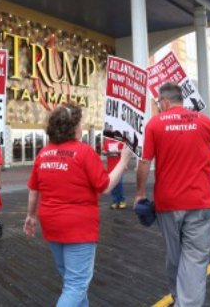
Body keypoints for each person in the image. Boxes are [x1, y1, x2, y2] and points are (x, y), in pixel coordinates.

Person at [24, 104, 132, 307]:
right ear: (73, 128)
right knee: (76, 285)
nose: (81, 127)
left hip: (51, 223)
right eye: (79, 123)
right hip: (78, 227)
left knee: (71, 281)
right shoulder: (84, 152)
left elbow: (33, 191)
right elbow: (106, 186)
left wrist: (30, 216)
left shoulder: (44, 154)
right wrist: (123, 161)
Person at [135, 82, 210, 307]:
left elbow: (145, 162)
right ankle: (185, 301)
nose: (159, 106)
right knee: (194, 259)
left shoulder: (154, 124)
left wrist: (139, 193)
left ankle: (179, 298)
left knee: (175, 255)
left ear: (165, 101)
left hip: (168, 203)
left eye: (158, 103)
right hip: (200, 201)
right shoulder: (202, 120)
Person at [102, 137, 126, 209]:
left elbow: (125, 151)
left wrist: (117, 151)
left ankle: (121, 200)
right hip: (110, 167)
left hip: (119, 165)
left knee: (118, 183)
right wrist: (107, 152)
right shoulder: (108, 141)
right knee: (112, 184)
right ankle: (115, 201)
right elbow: (103, 151)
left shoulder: (121, 140)